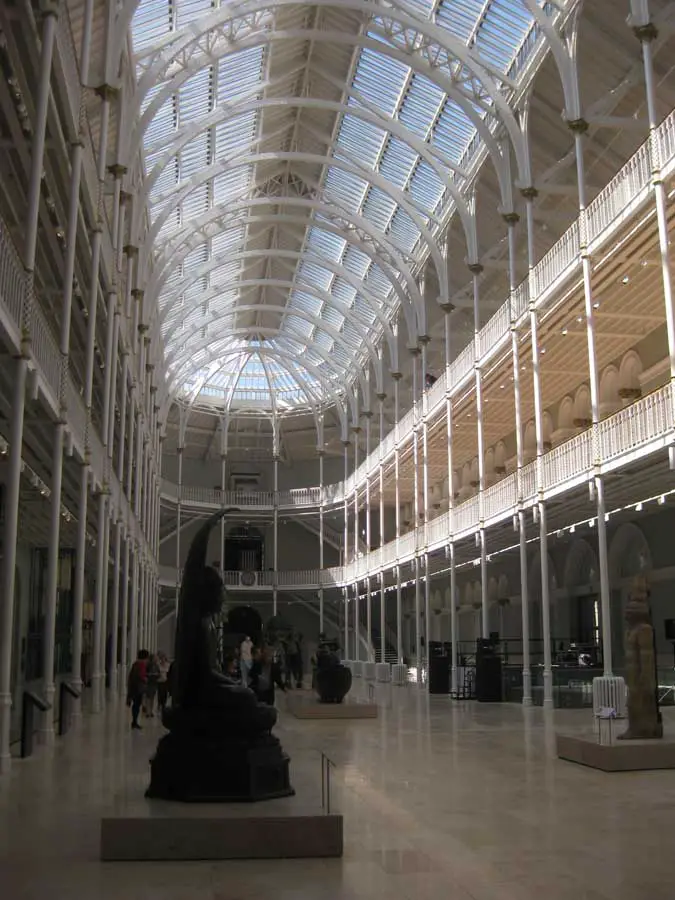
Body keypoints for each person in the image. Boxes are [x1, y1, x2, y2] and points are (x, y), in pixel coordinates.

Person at [127, 649, 149, 730]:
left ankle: (134, 721)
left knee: (135, 705)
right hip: (139, 688)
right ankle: (135, 722)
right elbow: (141, 675)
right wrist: (145, 679)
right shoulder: (142, 664)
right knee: (137, 705)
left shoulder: (135, 664)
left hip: (134, 687)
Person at [144, 653, 160, 717]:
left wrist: (157, 675)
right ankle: (148, 712)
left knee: (152, 698)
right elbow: (145, 673)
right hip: (149, 683)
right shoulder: (148, 665)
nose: (156, 659)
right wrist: (150, 674)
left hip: (154, 683)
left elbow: (159, 673)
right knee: (148, 697)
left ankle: (151, 711)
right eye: (155, 658)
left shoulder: (157, 666)